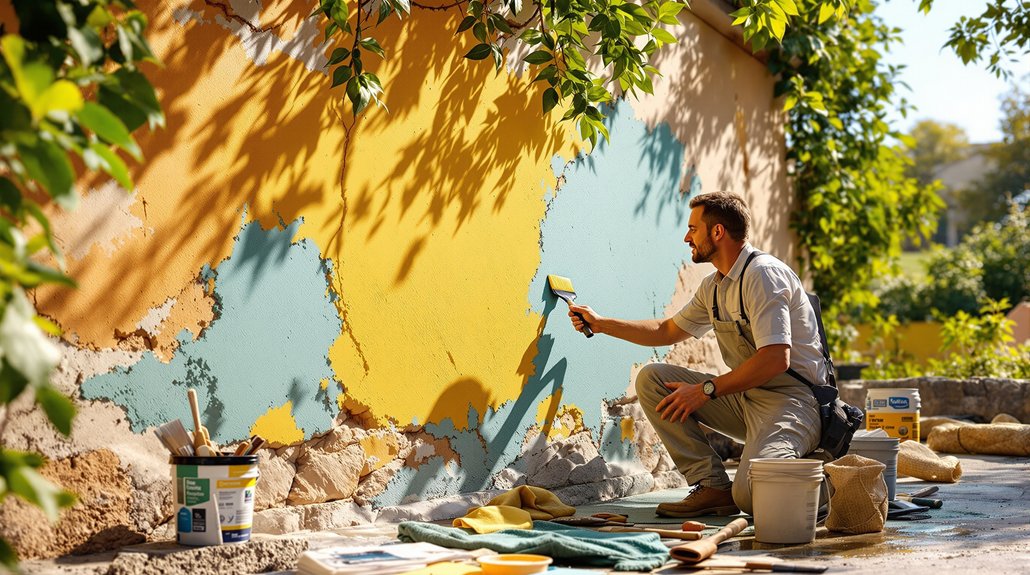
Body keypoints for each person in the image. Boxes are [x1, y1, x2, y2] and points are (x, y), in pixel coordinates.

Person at [567, 191, 827, 517]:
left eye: (693, 228)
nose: (686, 237)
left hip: (793, 404)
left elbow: (776, 358)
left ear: (717, 232)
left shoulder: (763, 275)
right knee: (653, 380)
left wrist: (705, 390)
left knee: (752, 496)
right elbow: (666, 331)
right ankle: (713, 486)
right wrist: (601, 323)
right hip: (747, 400)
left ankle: (834, 475)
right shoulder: (714, 287)